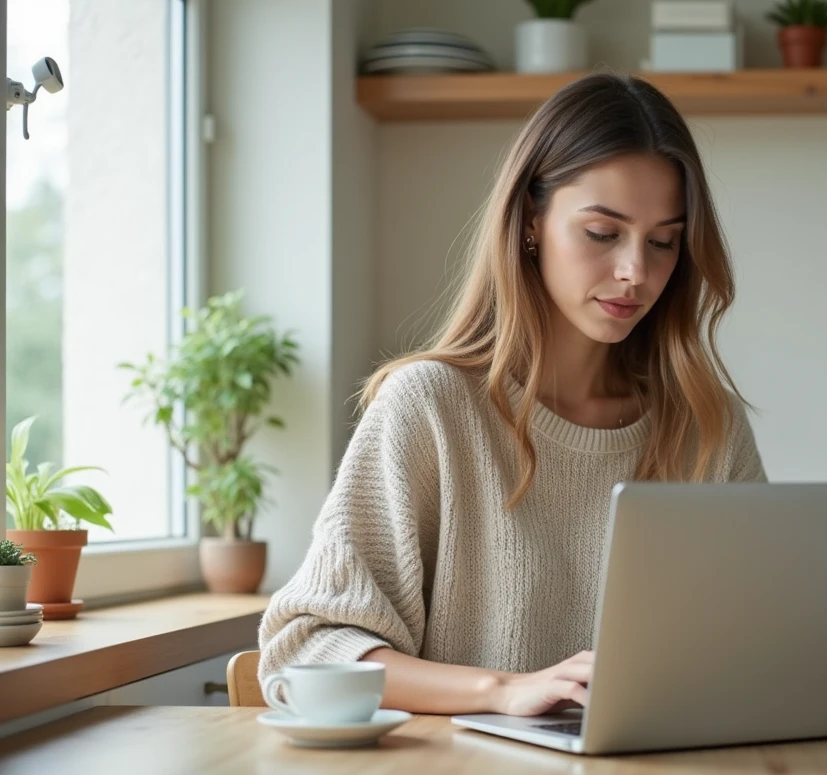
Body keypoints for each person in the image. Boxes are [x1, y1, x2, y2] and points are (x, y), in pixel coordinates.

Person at [257, 71, 766, 718]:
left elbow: (758, 650)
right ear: (531, 220)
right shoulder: (430, 408)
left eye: (663, 242)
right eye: (603, 233)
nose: (635, 272)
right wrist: (502, 691)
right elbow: (307, 649)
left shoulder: (705, 430)